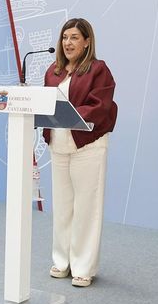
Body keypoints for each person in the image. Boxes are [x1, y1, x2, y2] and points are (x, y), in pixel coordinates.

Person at [42, 18, 117, 287]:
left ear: (87, 42)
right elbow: (45, 103)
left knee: (86, 207)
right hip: (58, 145)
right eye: (65, 37)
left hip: (88, 145)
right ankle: (62, 261)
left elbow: (101, 105)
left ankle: (83, 267)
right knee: (62, 207)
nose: (68, 42)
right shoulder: (53, 71)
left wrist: (69, 116)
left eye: (74, 37)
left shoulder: (99, 70)